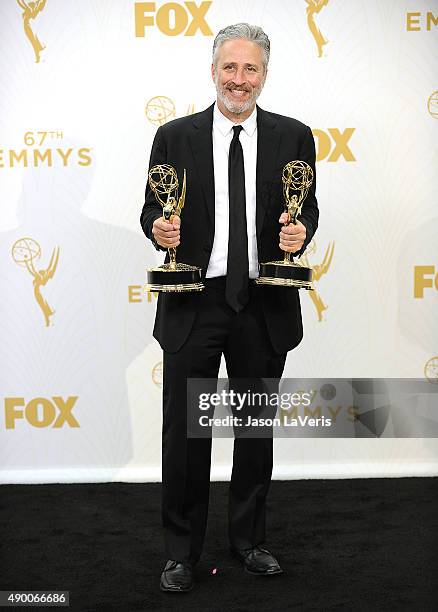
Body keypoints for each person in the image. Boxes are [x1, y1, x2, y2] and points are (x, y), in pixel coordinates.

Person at [140, 23, 319, 593]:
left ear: (264, 75)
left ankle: (249, 540)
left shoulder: (295, 136)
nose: (239, 80)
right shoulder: (174, 135)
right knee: (185, 435)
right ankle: (180, 551)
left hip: (263, 303)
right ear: (212, 71)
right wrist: (159, 227)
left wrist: (301, 234)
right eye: (229, 68)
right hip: (195, 302)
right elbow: (151, 208)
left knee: (254, 431)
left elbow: (306, 205)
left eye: (250, 69)